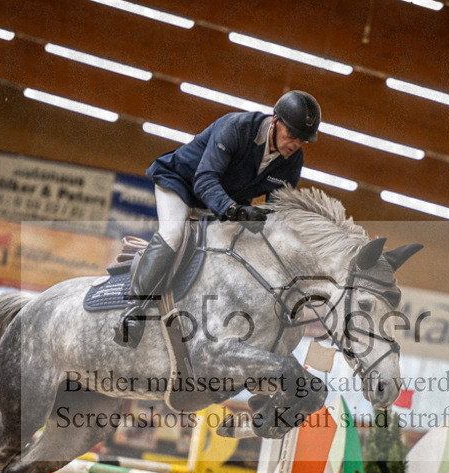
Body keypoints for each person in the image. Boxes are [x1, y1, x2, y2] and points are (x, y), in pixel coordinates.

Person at [114, 90, 322, 348]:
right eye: (291, 135)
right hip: (182, 187)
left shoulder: (293, 160)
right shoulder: (236, 127)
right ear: (275, 119)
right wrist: (235, 210)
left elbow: (277, 207)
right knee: (174, 234)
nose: (295, 144)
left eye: (302, 140)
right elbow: (204, 180)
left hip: (224, 205)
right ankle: (133, 312)